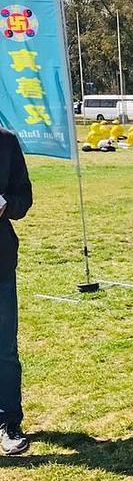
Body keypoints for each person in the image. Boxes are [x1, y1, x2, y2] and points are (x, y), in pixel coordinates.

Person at [0, 128, 32, 456]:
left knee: (4, 350)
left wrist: (6, 205)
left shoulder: (6, 142)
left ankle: (8, 422)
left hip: (0, 263)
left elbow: (24, 197)